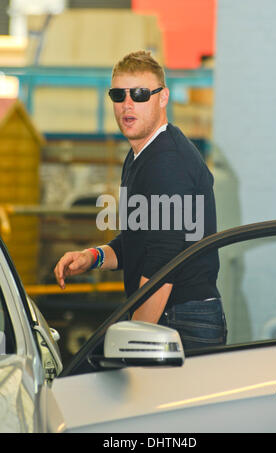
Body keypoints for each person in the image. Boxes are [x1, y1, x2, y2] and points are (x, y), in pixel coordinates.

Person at [54, 50, 227, 351]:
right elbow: (137, 240)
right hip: (174, 313)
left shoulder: (167, 161)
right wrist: (91, 257)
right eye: (119, 95)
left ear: (163, 98)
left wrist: (133, 338)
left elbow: (164, 261)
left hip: (181, 319)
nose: (128, 104)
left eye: (140, 93)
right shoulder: (142, 156)